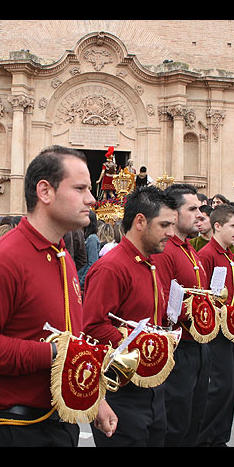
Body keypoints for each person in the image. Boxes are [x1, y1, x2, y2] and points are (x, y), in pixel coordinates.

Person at [0, 145, 113, 447]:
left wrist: (94, 398)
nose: (92, 199)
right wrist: (52, 354)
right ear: (45, 191)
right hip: (13, 428)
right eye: (80, 188)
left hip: (57, 423)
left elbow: (70, 336)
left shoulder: (61, 254)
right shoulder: (1, 260)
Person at [82, 185, 176, 446]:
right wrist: (140, 349)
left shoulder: (152, 264)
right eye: (165, 224)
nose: (171, 233)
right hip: (120, 392)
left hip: (153, 390)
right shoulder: (111, 268)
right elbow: (92, 325)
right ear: (140, 221)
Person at [152, 183, 211, 447]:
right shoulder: (166, 252)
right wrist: (195, 311)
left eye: (200, 208)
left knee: (194, 419)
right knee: (175, 424)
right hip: (179, 350)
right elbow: (162, 302)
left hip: (198, 346)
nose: (200, 214)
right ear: (174, 215)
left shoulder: (190, 250)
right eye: (193, 208)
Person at [197, 204, 234, 446]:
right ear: (217, 226)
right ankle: (206, 439)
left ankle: (220, 438)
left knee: (229, 389)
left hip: (233, 330)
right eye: (233, 226)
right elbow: (205, 296)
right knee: (219, 388)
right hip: (217, 332)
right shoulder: (207, 255)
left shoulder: (229, 255)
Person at [77, 209, 100, 289]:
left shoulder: (92, 238)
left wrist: (81, 282)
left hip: (83, 281)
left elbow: (92, 263)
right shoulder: (86, 237)